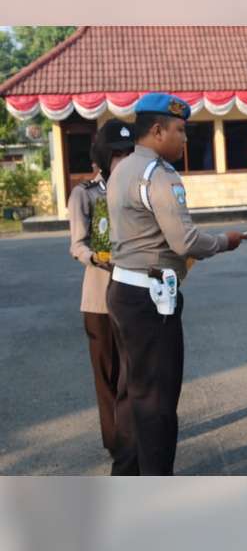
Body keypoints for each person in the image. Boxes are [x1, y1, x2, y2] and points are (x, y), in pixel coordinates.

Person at [106, 93, 247, 476]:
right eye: (180, 130)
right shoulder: (159, 174)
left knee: (132, 391)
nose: (186, 140)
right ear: (157, 131)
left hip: (123, 290)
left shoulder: (121, 168)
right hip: (150, 298)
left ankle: (127, 473)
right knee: (157, 401)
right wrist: (224, 242)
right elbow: (184, 242)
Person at [67, 119, 134, 455]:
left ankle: (133, 434)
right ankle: (117, 443)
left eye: (127, 152)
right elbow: (77, 245)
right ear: (104, 157)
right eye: (116, 153)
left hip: (134, 296)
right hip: (99, 300)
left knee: (133, 374)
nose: (122, 159)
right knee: (108, 377)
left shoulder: (137, 190)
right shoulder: (85, 194)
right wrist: (98, 257)